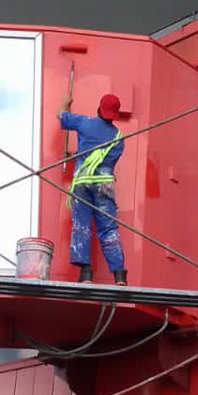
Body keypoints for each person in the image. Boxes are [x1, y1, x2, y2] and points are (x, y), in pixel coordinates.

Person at [57, 92, 127, 284]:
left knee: (82, 225)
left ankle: (86, 274)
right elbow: (103, 160)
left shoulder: (85, 122)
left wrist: (66, 103)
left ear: (99, 109)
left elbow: (61, 116)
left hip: (82, 184)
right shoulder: (119, 138)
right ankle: (119, 275)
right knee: (108, 229)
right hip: (104, 185)